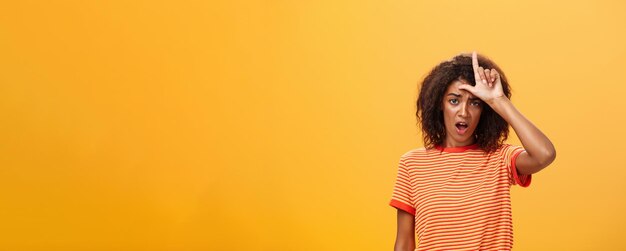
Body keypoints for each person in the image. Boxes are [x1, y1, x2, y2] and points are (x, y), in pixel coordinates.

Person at [389, 51, 556, 251]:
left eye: (475, 102)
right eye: (454, 101)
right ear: (439, 105)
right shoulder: (412, 164)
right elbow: (404, 243)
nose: (464, 112)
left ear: (483, 110)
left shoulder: (500, 157)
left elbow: (544, 154)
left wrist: (498, 100)